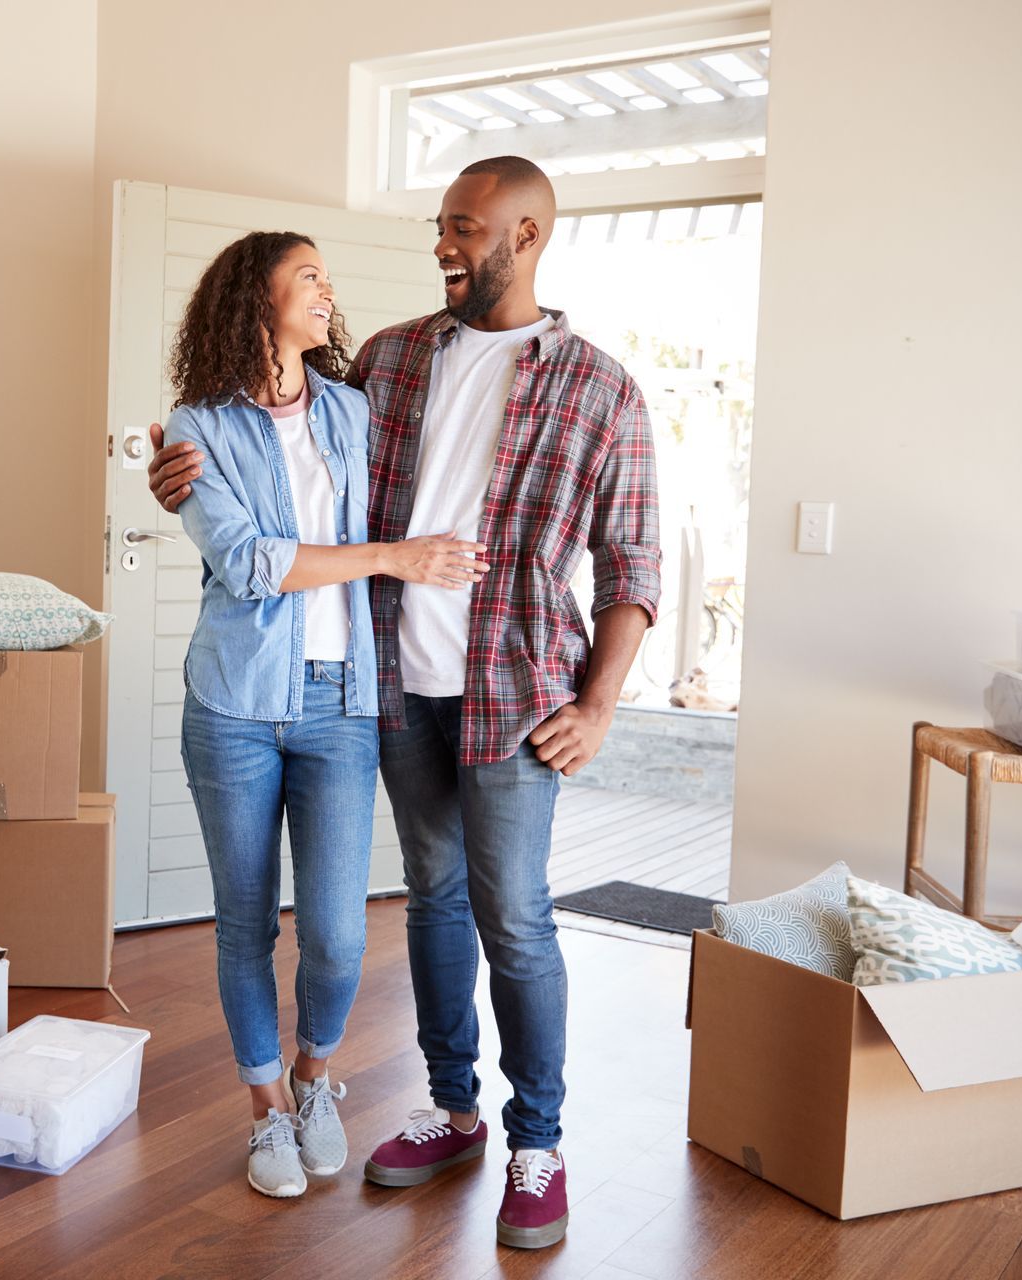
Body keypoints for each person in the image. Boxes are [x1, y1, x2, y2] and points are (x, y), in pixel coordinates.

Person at [149, 156, 661, 1248]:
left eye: (463, 228)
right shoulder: (388, 361)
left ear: (523, 237)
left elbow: (634, 565)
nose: (442, 243)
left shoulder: (601, 387)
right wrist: (179, 479)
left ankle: (540, 1141)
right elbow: (277, 479)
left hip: (515, 695)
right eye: (440, 224)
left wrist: (604, 701)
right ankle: (453, 1106)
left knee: (514, 916)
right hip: (384, 688)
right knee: (429, 900)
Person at [161, 229, 489, 1200]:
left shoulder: (352, 409)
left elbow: (447, 451)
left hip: (339, 703)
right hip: (232, 703)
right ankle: (263, 1106)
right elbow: (254, 563)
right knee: (246, 920)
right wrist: (392, 555)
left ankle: (314, 1078)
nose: (326, 289)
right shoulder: (195, 427)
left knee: (339, 933)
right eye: (307, 274)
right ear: (253, 296)